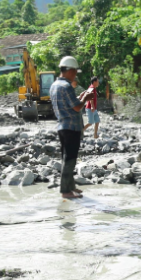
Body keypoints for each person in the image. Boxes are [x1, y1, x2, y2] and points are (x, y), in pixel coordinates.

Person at [50, 56, 90, 199]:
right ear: (68, 71)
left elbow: (69, 104)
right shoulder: (65, 86)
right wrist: (85, 98)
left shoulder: (55, 85)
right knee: (70, 160)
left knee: (67, 158)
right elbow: (77, 107)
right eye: (74, 72)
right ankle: (65, 191)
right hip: (71, 127)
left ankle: (70, 186)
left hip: (62, 126)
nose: (75, 75)